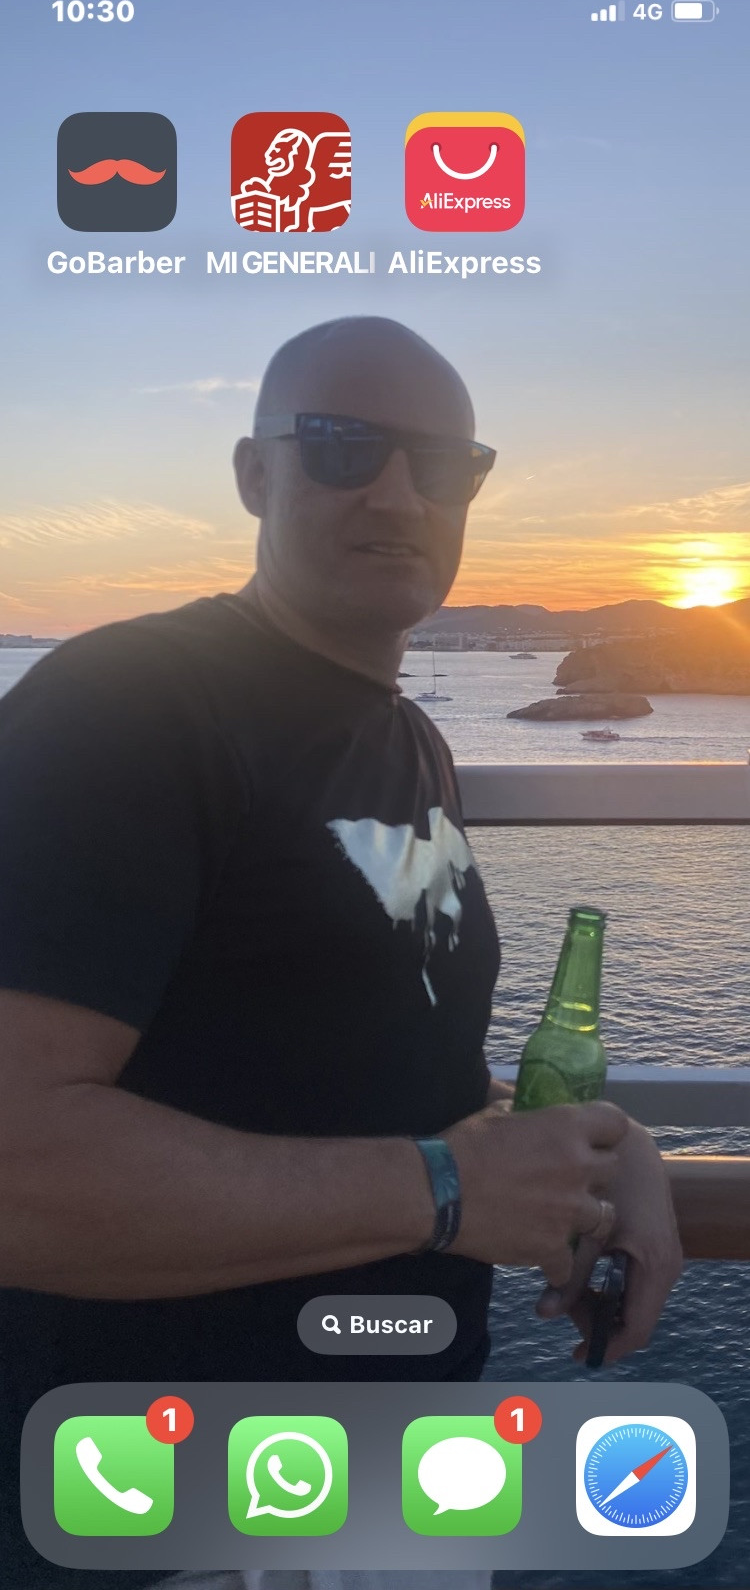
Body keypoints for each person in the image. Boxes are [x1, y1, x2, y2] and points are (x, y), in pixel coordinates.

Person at [0, 317, 682, 1590]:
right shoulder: (123, 710)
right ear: (254, 473)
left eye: (444, 464)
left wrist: (608, 1148)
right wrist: (444, 1190)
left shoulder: (406, 743)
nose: (399, 495)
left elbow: (362, 1074)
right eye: (342, 447)